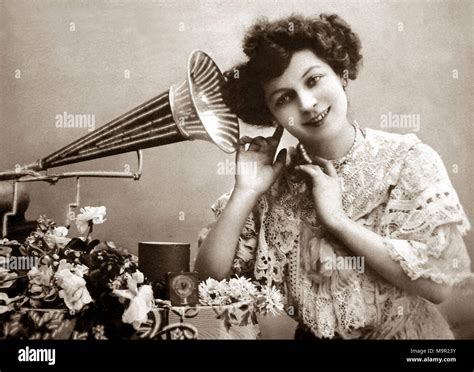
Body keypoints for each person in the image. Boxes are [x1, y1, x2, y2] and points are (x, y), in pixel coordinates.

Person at [194, 13, 471, 339]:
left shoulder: (407, 160)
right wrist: (246, 191)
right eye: (284, 99)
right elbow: (207, 282)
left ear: (341, 73)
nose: (308, 104)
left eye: (313, 80)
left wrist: (338, 221)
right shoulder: (275, 182)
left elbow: (437, 285)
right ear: (272, 116)